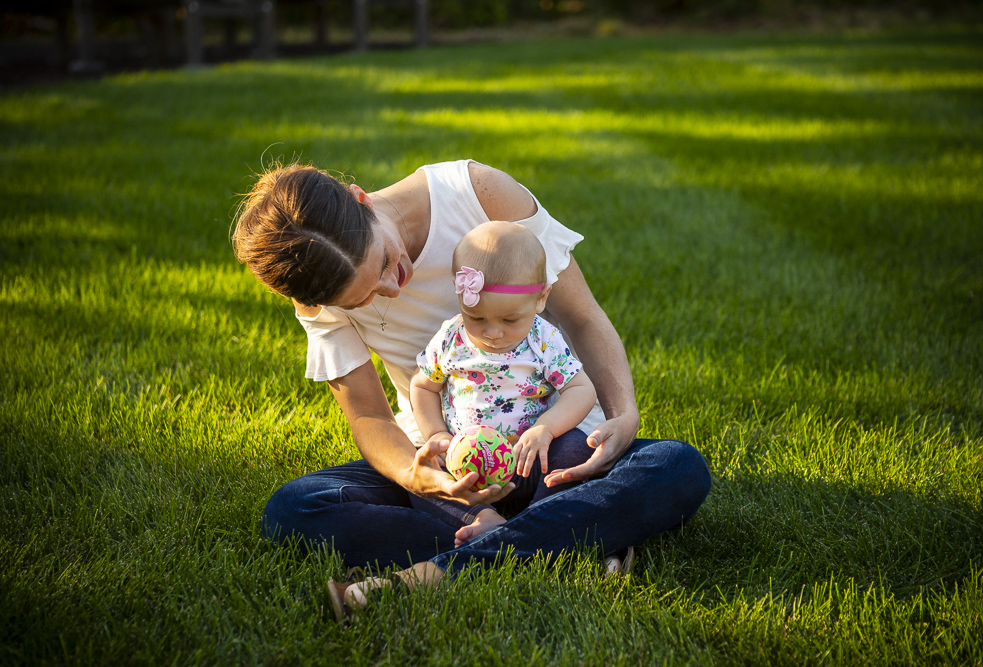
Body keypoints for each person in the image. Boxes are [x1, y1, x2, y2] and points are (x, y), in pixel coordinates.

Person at [232, 158, 711, 619]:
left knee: (677, 466)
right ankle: (572, 537)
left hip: (548, 453)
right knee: (293, 510)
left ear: (363, 200)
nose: (391, 289)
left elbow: (581, 317)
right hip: (447, 465)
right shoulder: (315, 286)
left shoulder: (475, 193)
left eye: (382, 263)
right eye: (370, 297)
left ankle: (425, 574)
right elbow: (370, 417)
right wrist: (416, 476)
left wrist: (623, 415)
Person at [409, 221, 598, 548]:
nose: (492, 332)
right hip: (467, 471)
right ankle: (483, 518)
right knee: (418, 478)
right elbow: (424, 386)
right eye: (477, 318)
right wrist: (436, 435)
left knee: (576, 447)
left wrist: (547, 428)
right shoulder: (452, 338)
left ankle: (537, 516)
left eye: (510, 320)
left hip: (530, 463)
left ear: (541, 298)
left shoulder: (543, 340)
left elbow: (581, 390)